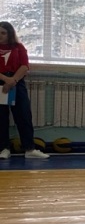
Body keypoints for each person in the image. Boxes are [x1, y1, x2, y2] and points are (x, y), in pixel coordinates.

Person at [0, 21, 48, 160]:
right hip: (1, 82)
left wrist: (13, 80)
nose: (0, 36)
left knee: (24, 115)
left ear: (10, 34)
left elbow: (24, 66)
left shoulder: (18, 47)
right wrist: (6, 79)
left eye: (3, 33)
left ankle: (29, 149)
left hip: (17, 82)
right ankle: (3, 149)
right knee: (1, 117)